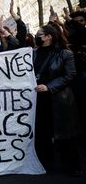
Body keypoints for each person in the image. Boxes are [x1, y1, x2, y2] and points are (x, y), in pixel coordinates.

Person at [33, 24, 82, 176]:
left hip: (59, 100)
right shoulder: (33, 53)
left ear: (49, 36)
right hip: (39, 99)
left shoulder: (65, 53)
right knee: (42, 132)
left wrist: (49, 87)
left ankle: (73, 166)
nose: (37, 37)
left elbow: (70, 75)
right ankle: (45, 162)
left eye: (39, 35)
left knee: (64, 134)